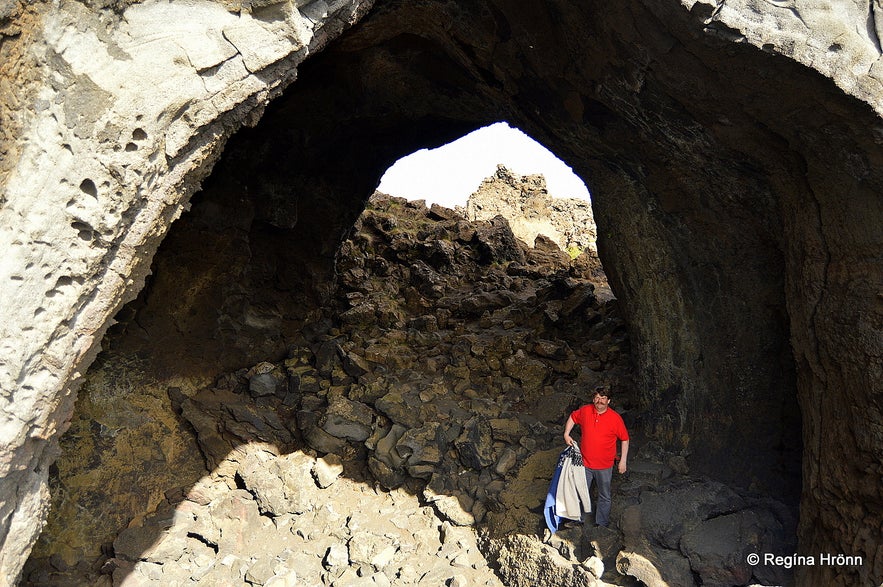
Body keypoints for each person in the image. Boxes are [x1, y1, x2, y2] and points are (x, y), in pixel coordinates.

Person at [563, 384, 629, 527]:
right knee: (580, 492)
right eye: (597, 398)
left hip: (604, 465)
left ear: (608, 401)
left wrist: (622, 461)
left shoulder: (615, 418)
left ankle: (601, 524)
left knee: (604, 496)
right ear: (593, 399)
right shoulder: (586, 411)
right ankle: (578, 520)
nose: (600, 401)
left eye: (603, 398)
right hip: (585, 463)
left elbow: (624, 439)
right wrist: (566, 434)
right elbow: (573, 417)